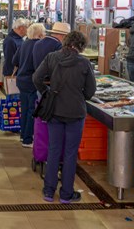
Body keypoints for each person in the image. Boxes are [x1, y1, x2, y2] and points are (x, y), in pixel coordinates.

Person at [33, 31, 96, 203]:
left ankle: (48, 191)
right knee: (70, 153)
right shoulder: (84, 63)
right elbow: (90, 92)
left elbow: (36, 77)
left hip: (55, 111)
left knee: (54, 150)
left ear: (66, 41)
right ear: (81, 46)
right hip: (76, 113)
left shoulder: (52, 57)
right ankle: (67, 194)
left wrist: (47, 92)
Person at [12, 23, 46, 148]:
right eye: (44, 33)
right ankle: (27, 139)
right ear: (40, 34)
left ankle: (23, 136)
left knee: (25, 109)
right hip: (32, 81)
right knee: (32, 110)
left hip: (21, 80)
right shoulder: (39, 46)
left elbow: (14, 61)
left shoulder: (24, 44)